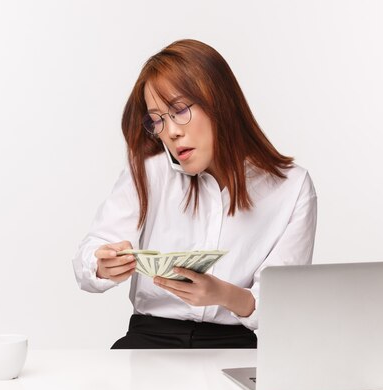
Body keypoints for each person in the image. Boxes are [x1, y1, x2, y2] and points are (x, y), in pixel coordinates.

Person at [72, 39, 317, 349]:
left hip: (233, 346)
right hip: (149, 340)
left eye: (179, 110)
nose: (170, 131)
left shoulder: (292, 188)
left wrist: (223, 294)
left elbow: (284, 307)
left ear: (220, 103)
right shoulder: (149, 171)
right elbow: (88, 257)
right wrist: (101, 263)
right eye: (157, 120)